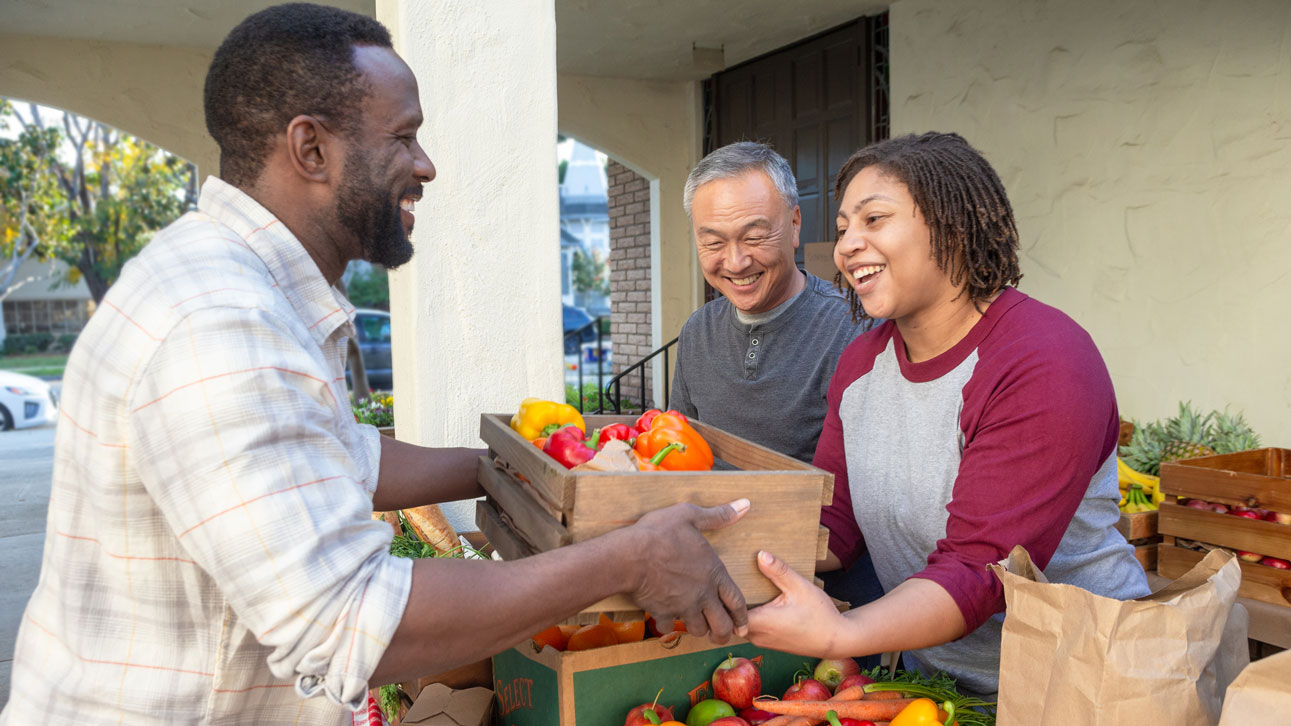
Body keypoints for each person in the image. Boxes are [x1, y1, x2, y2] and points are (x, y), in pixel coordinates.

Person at [0, 5, 747, 724]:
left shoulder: (240, 285)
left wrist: (551, 467)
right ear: (312, 149)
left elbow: (338, 456)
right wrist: (629, 560)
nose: (424, 165)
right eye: (403, 137)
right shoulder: (222, 322)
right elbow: (355, 621)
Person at [745, 132, 1150, 696]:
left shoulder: (1044, 358)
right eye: (842, 230)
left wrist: (840, 633)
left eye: (874, 219)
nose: (847, 246)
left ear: (951, 227)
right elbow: (833, 527)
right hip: (945, 690)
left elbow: (981, 571)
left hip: (1089, 686)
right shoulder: (863, 362)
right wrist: (711, 546)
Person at [671, 142, 870, 465]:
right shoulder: (698, 331)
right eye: (713, 243)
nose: (736, 263)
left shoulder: (852, 328)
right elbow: (676, 450)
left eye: (754, 237)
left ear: (794, 224)